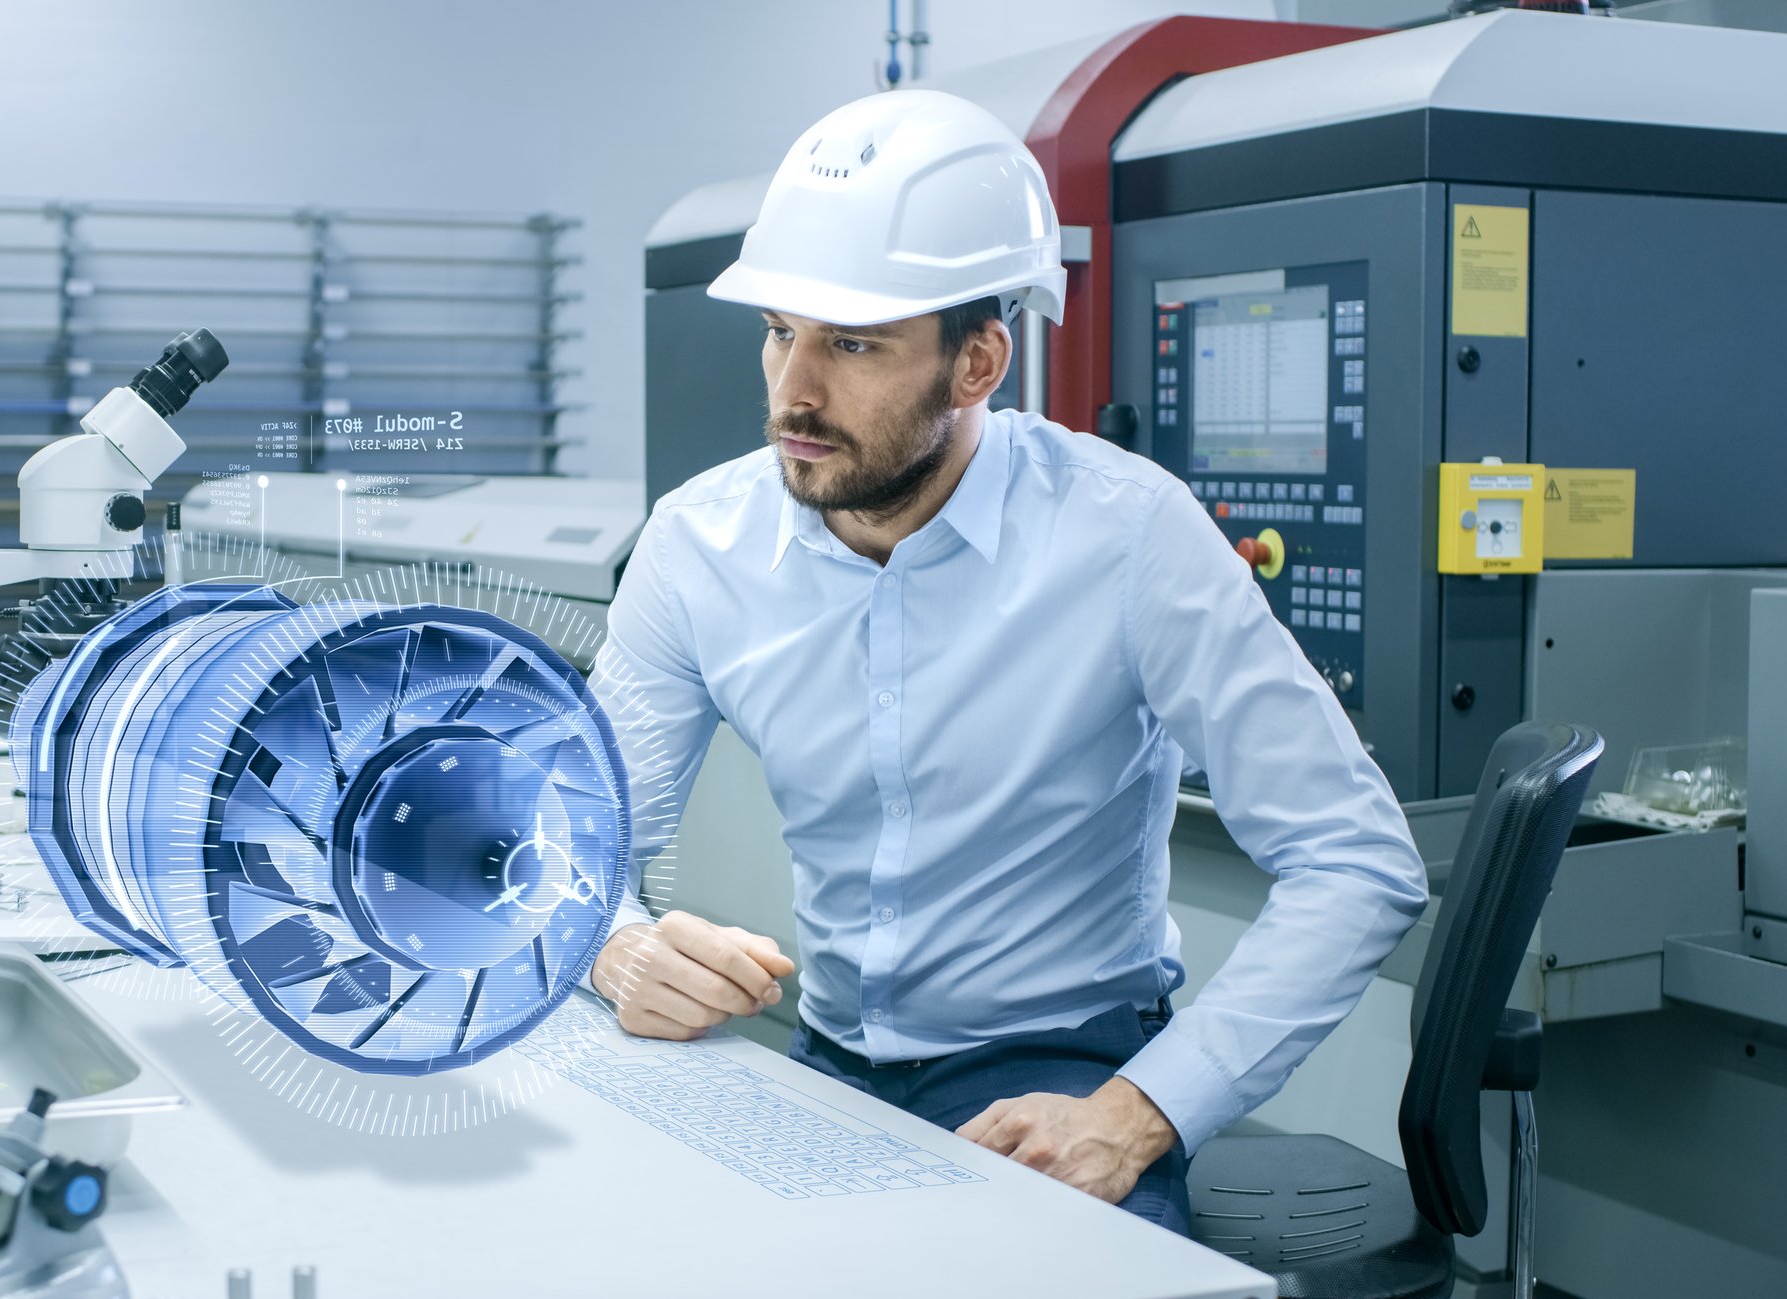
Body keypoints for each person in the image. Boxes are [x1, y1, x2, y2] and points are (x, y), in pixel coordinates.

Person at [586, 89, 1427, 1234]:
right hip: (824, 1066)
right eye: (781, 331)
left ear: (977, 362)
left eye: (853, 345)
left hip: (1060, 1080)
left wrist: (1141, 1112)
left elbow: (1355, 860)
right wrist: (619, 947)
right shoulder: (696, 545)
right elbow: (575, 845)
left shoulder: (1127, 536)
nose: (795, 390)